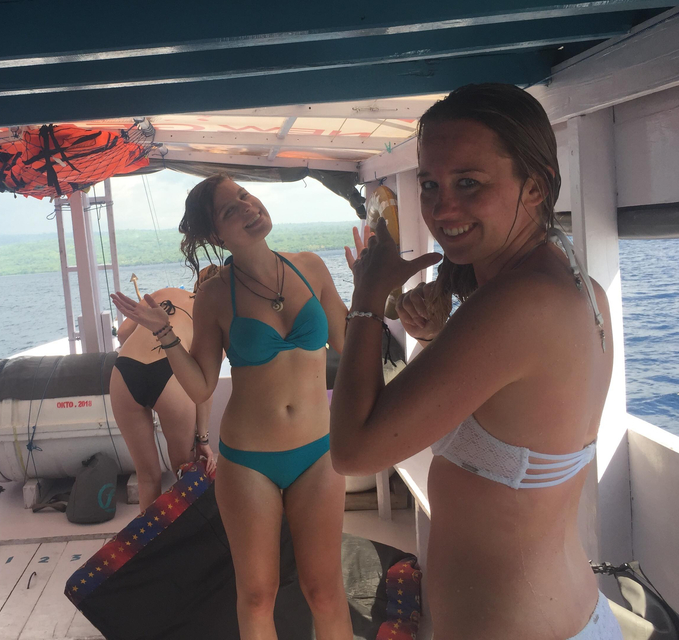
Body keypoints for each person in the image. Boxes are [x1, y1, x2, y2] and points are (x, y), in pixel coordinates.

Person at [331, 83, 622, 639]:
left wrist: (367, 296)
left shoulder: (517, 304)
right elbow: (512, 410)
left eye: (469, 182)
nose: (443, 208)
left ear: (535, 186)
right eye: (430, 184)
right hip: (568, 616)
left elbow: (353, 450)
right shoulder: (573, 284)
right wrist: (440, 338)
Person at [112, 176, 353, 640]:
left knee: (324, 591)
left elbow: (347, 342)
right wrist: (164, 332)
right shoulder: (215, 295)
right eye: (229, 210)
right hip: (249, 461)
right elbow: (202, 385)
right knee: (257, 596)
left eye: (244, 196)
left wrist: (371, 288)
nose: (247, 207)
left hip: (318, 452)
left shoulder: (311, 267)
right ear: (215, 235)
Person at [110, 267, 219, 513]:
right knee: (184, 472)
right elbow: (204, 389)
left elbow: (124, 332)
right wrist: (203, 439)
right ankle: (182, 534)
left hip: (125, 370)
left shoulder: (164, 292)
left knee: (147, 476)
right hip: (170, 373)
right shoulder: (215, 317)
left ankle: (151, 537)